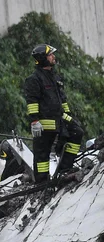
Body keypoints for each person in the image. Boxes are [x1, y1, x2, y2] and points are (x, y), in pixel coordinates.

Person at [24, 44, 83, 183]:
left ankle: (64, 170)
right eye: (50, 55)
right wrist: (34, 121)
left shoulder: (55, 77)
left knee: (77, 132)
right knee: (42, 153)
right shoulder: (34, 79)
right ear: (43, 58)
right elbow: (32, 102)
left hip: (61, 118)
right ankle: (42, 182)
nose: (53, 57)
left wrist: (68, 115)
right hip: (44, 122)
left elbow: (62, 99)